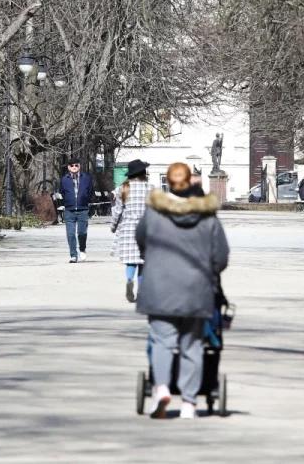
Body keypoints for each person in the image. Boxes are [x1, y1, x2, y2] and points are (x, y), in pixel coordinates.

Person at [136, 162, 229, 419]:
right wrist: (211, 272)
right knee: (193, 344)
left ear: (168, 182)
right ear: (191, 182)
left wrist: (153, 259)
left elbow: (140, 239)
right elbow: (221, 255)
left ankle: (162, 387)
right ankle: (189, 402)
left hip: (159, 287)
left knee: (162, 341)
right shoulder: (207, 217)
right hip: (195, 289)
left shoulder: (154, 213)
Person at [111, 159, 151, 302]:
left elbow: (117, 211)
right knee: (143, 262)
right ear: (143, 173)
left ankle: (129, 280)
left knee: (131, 261)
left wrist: (113, 226)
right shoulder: (149, 188)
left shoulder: (123, 189)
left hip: (128, 229)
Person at [59, 158, 94, 263]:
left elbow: (91, 192)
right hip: (69, 210)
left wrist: (88, 202)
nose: (74, 167)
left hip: (83, 209)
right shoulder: (64, 179)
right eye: (72, 165)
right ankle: (73, 255)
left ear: (79, 166)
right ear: (68, 167)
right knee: (70, 234)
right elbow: (62, 192)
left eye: (76, 165)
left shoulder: (86, 178)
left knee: (82, 233)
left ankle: (82, 249)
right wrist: (65, 203)